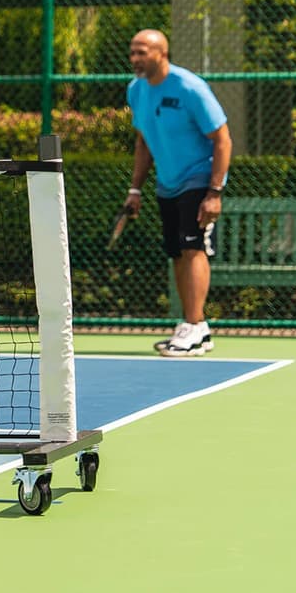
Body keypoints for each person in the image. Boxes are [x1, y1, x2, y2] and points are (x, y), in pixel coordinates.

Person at [124, 29, 232, 357]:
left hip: (198, 179)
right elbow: (144, 142)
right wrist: (135, 189)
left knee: (192, 247)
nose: (135, 59)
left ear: (161, 53)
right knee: (176, 252)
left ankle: (194, 324)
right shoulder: (136, 91)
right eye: (132, 52)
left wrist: (214, 191)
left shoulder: (190, 88)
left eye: (142, 52)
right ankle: (196, 329)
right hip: (167, 183)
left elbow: (223, 139)